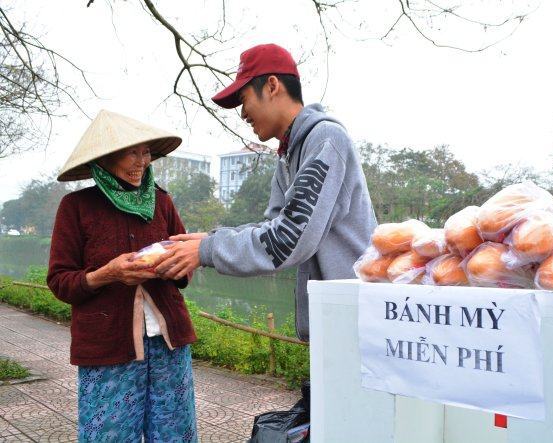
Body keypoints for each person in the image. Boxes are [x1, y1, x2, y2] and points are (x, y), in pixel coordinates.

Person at [154, 43, 377, 340]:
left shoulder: (325, 139)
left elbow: (287, 240)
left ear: (272, 86)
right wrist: (213, 239)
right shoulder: (287, 155)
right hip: (333, 321)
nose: (243, 114)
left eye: (243, 100)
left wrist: (206, 251)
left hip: (356, 319)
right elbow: (273, 227)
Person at [47, 110, 198, 442]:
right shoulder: (76, 207)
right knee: (109, 436)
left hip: (168, 343)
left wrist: (177, 264)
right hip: (108, 348)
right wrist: (107, 274)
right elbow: (60, 280)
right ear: (104, 158)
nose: (141, 161)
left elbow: (185, 266)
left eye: (145, 152)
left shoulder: (161, 202)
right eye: (131, 152)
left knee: (175, 435)